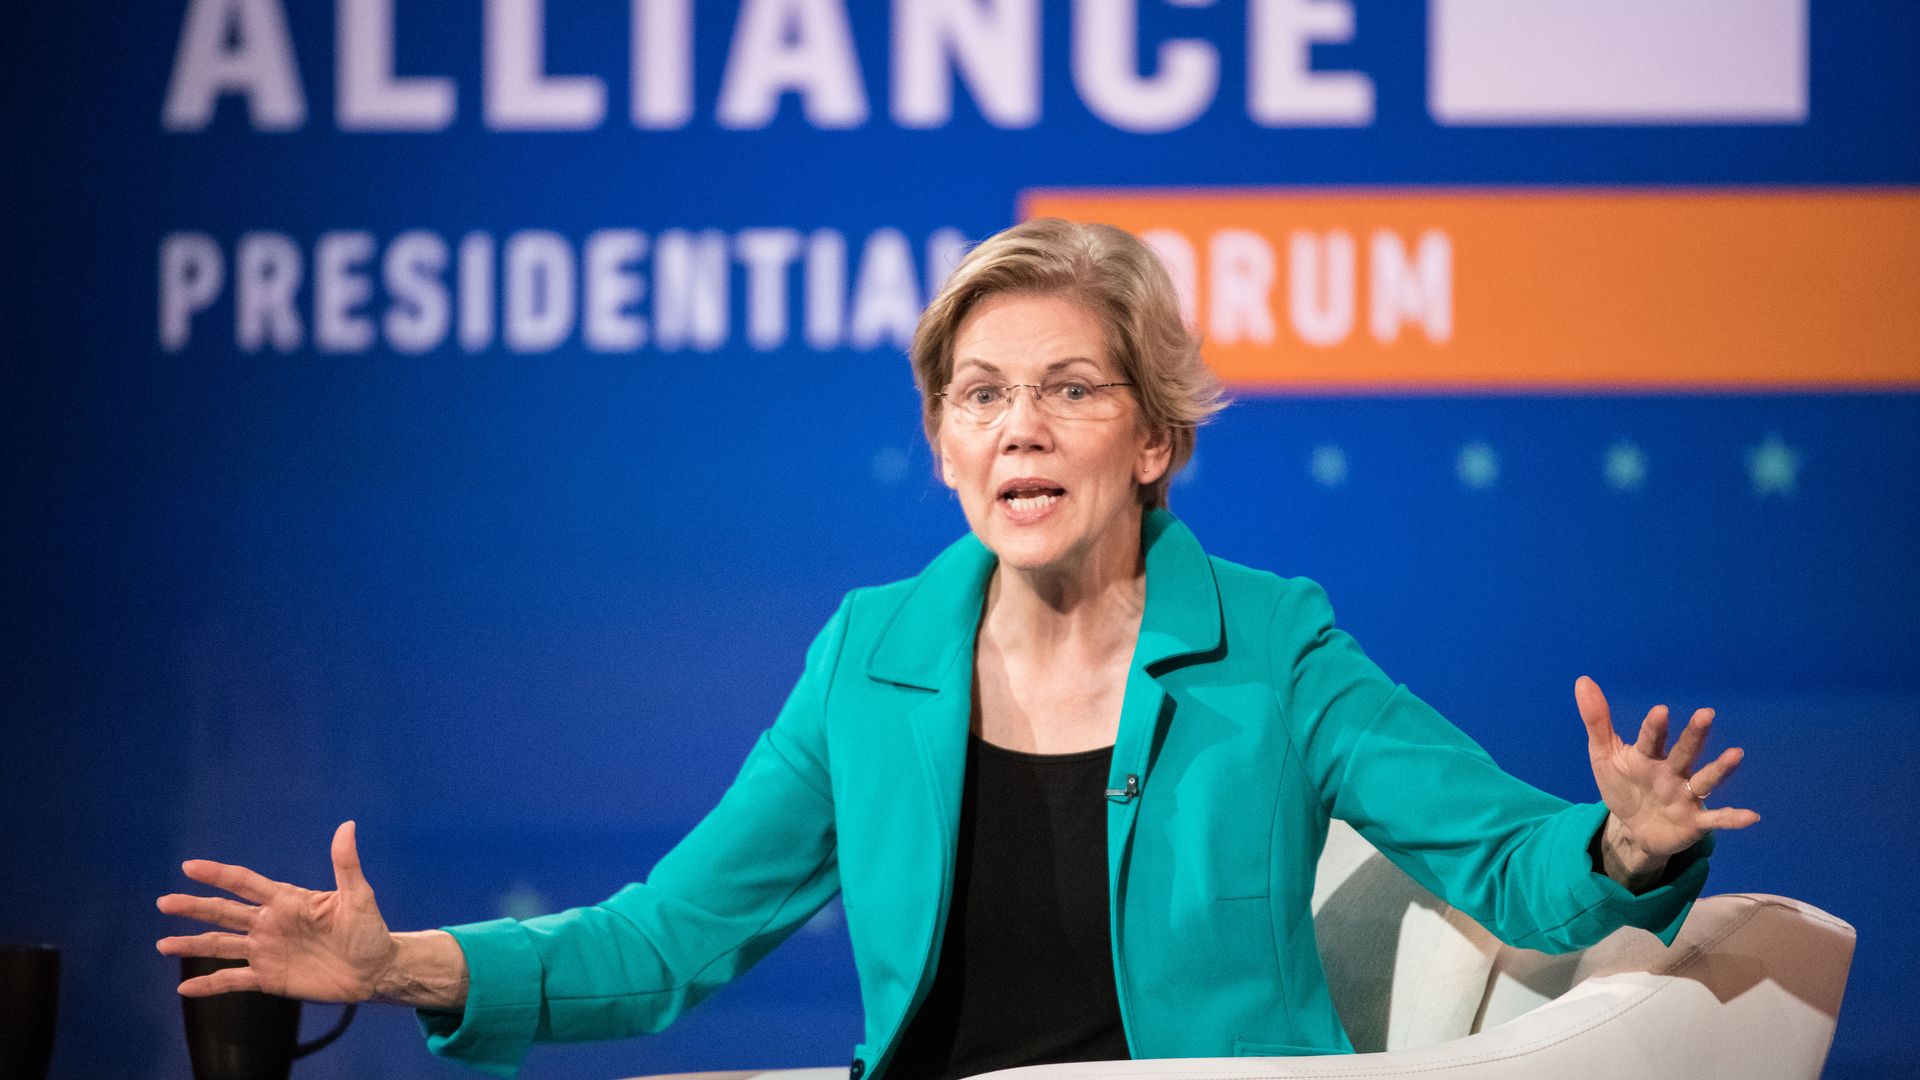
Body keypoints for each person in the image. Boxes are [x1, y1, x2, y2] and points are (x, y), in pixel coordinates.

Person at [157, 219, 1759, 1080]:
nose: (1021, 428)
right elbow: (665, 943)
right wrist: (396, 967)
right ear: (940, 447)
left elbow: (1504, 861)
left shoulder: (1271, 643)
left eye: (1071, 387)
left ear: (1151, 440)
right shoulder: (874, 657)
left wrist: (1621, 839)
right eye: (981, 396)